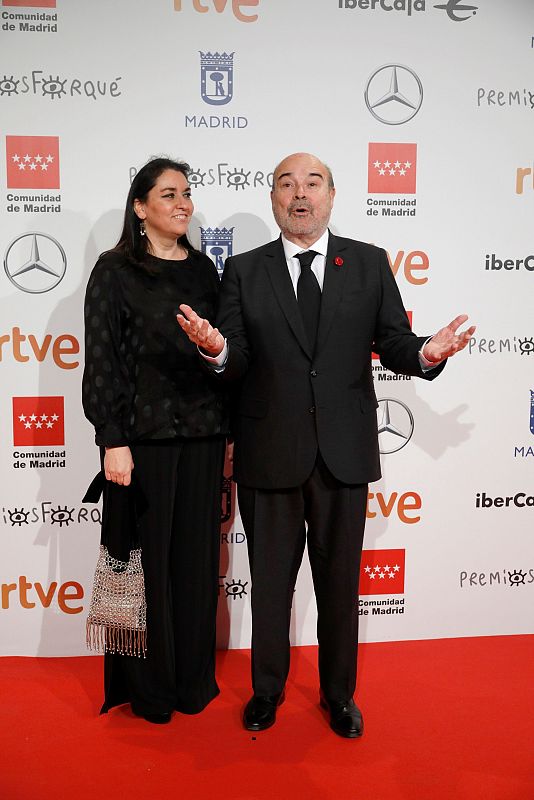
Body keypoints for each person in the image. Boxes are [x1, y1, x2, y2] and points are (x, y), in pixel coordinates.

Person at [177, 152, 474, 738]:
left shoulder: (366, 263)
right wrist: (215, 350)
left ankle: (340, 696)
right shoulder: (242, 269)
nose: (300, 194)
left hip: (344, 453)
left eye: (312, 183)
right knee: (270, 586)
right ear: (273, 199)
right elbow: (236, 355)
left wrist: (424, 354)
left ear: (332, 196)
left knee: (339, 586)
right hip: (269, 451)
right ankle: (267, 691)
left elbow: (392, 341)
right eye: (287, 184)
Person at [83, 157, 228, 724]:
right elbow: (101, 362)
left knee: (194, 566)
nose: (183, 203)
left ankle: (192, 683)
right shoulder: (114, 270)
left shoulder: (204, 271)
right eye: (169, 194)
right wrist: (111, 438)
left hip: (204, 435)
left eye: (187, 193)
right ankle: (145, 689)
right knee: (137, 563)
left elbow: (221, 353)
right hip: (140, 441)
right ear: (140, 207)